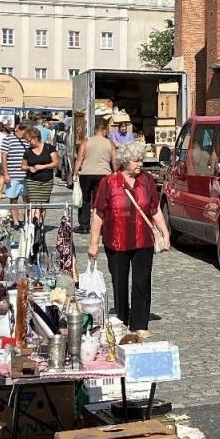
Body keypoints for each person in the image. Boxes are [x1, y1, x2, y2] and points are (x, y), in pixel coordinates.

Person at [87, 141, 170, 331]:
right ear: (125, 161)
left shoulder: (147, 180)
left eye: (141, 160)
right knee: (120, 282)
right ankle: (122, 321)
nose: (139, 164)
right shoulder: (109, 182)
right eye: (135, 160)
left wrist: (165, 233)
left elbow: (154, 209)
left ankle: (140, 325)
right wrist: (93, 243)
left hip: (143, 239)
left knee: (142, 282)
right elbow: (99, 213)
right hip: (116, 240)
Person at [75, 118, 114, 231]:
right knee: (100, 201)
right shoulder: (109, 143)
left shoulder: (87, 141)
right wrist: (115, 173)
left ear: (95, 131)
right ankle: (100, 225)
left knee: (85, 200)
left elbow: (80, 158)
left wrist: (75, 173)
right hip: (104, 174)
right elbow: (114, 160)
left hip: (87, 173)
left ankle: (84, 225)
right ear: (104, 131)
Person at [23, 126, 59, 206]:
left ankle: (39, 218)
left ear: (35, 138)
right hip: (32, 181)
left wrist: (43, 166)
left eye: (29, 141)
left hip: (46, 181)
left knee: (43, 204)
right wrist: (29, 168)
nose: (28, 143)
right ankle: (35, 218)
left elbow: (56, 163)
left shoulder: (49, 148)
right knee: (34, 204)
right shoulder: (28, 151)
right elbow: (23, 166)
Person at [1, 123, 29, 204]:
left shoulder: (27, 140)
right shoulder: (8, 139)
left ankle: (27, 217)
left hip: (27, 175)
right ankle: (15, 217)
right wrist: (6, 174)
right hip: (13, 175)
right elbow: (4, 158)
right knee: (13, 200)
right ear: (17, 129)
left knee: (27, 200)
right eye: (23, 132)